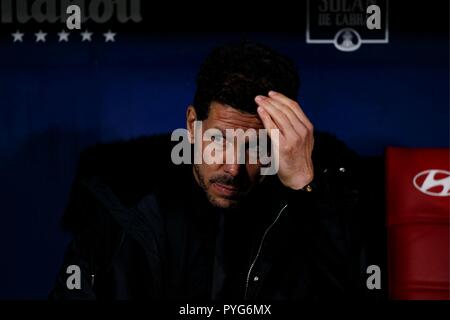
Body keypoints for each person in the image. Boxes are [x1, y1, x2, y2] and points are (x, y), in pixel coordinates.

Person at [50, 42, 370, 300]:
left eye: (255, 147)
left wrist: (305, 188)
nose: (233, 168)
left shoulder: (322, 195)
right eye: (219, 140)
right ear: (192, 124)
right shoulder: (123, 197)